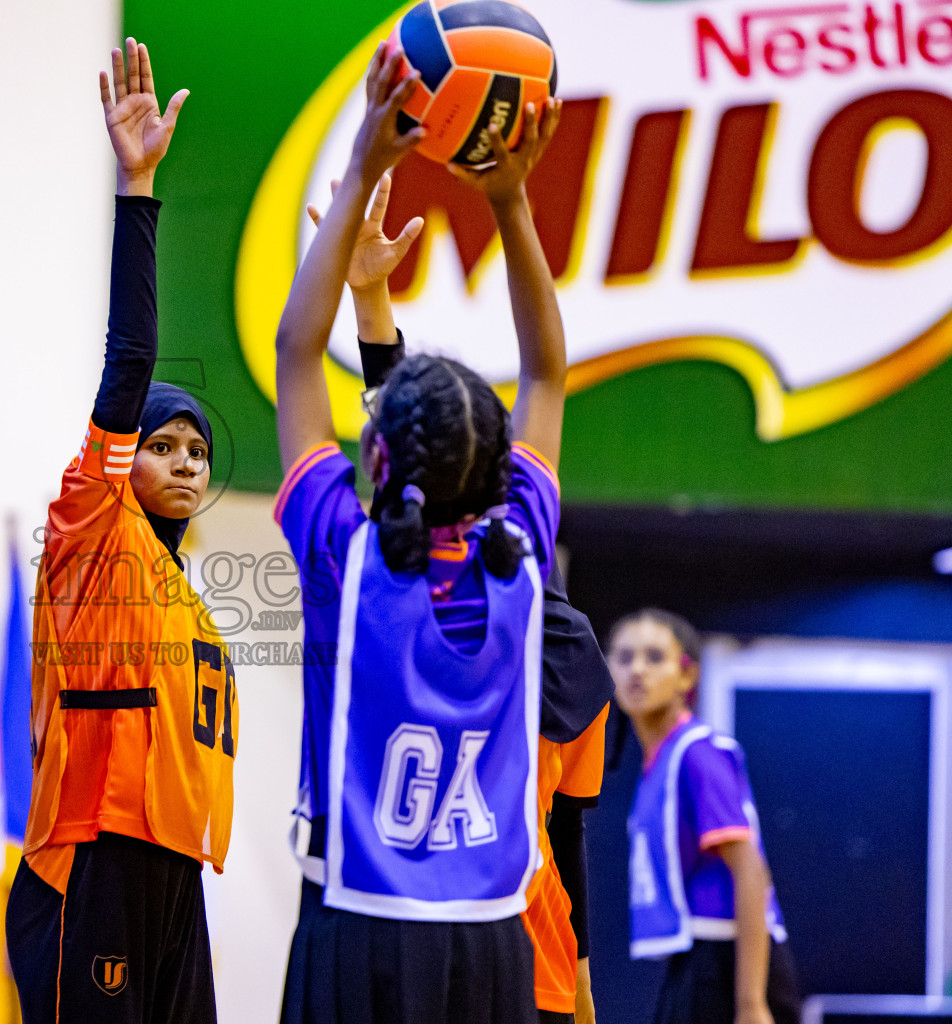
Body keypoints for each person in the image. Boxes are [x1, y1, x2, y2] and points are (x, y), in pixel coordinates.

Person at [273, 36, 568, 1023]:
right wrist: (514, 201)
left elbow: (291, 351)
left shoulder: (345, 558)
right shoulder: (520, 552)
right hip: (489, 943)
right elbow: (550, 375)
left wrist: (364, 164)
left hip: (359, 931)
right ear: (498, 472)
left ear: (380, 462)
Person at [320, 167, 613, 1023]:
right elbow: (568, 835)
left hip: (410, 936)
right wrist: (514, 197)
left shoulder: (380, 600)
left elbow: (405, 449)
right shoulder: (554, 634)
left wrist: (367, 300)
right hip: (515, 953)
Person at [4, 38, 236, 1024]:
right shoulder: (91, 524)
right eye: (164, 443)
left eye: (199, 449)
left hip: (172, 870)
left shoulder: (181, 592)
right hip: (90, 861)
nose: (185, 460)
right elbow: (129, 362)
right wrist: (137, 187)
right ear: (120, 458)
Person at [608, 609, 801, 1024]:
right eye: (624, 658)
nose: (637, 670)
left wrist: (751, 1004)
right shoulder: (659, 761)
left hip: (731, 963)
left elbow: (750, 870)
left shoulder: (698, 753)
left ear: (687, 676)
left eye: (654, 657)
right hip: (697, 959)